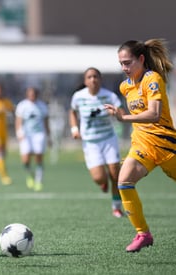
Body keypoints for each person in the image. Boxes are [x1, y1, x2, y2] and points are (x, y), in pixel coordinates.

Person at [105, 39, 176, 252]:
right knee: (123, 181)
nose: (124, 68)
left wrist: (123, 118)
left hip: (165, 145)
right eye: (121, 64)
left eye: (128, 63)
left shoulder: (152, 79)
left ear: (141, 59)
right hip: (142, 146)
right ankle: (143, 234)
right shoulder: (125, 87)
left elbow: (154, 114)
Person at [69, 67, 124, 218]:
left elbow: (121, 113)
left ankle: (116, 207)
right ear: (85, 81)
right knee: (99, 177)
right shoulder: (78, 97)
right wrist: (74, 128)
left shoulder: (109, 96)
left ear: (100, 79)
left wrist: (115, 112)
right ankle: (102, 181)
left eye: (95, 76)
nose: (93, 79)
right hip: (90, 142)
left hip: (108, 139)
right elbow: (72, 111)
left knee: (115, 174)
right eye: (89, 77)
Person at [14, 87, 51, 191]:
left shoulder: (42, 106)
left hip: (39, 134)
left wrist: (49, 136)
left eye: (34, 94)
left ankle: (39, 180)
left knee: (38, 156)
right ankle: (30, 175)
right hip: (26, 135)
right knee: (25, 159)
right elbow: (18, 120)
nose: (32, 96)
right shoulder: (22, 105)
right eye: (30, 94)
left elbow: (46, 122)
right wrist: (19, 133)